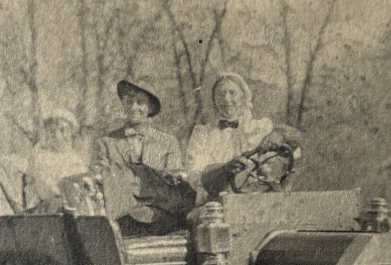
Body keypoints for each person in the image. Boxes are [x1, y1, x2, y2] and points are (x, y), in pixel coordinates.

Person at [91, 77, 191, 234]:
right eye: (129, 102)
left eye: (140, 102)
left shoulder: (168, 142)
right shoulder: (105, 143)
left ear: (150, 107)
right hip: (120, 219)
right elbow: (98, 182)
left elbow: (174, 181)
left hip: (161, 219)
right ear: (123, 105)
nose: (134, 107)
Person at [186, 72, 302, 201]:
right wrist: (223, 171)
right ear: (213, 100)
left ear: (243, 96)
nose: (226, 99)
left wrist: (277, 134)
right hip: (213, 202)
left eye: (232, 93)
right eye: (221, 94)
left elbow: (296, 141)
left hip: (256, 199)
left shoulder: (260, 127)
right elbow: (195, 174)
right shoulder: (202, 133)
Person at [24, 109, 89, 213]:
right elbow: (45, 191)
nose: (58, 136)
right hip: (45, 210)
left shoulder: (76, 159)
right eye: (52, 131)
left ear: (71, 132)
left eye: (63, 130)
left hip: (71, 207)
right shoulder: (40, 156)